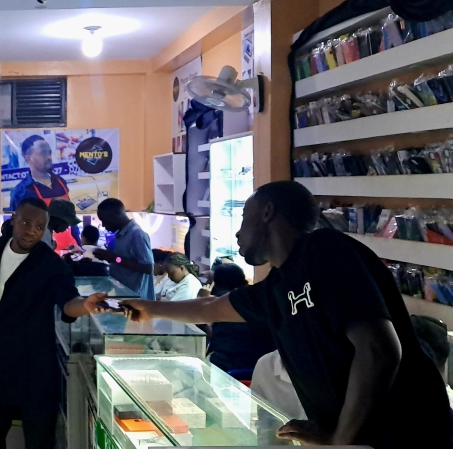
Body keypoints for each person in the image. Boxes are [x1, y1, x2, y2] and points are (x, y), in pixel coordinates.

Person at [114, 180, 453, 448]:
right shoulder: (277, 286)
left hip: (407, 433)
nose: (237, 232)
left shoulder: (325, 251)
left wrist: (339, 440)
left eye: (243, 219)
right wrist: (150, 309)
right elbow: (209, 308)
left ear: (267, 212)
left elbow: (379, 350)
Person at [0, 198, 109, 448]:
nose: (31, 231)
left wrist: (84, 305)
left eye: (39, 227)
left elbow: (67, 300)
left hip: (32, 368)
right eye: (26, 223)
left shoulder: (51, 265)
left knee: (39, 437)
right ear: (13, 221)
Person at [203, 262, 276, 372]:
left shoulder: (219, 302)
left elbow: (208, 332)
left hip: (225, 365)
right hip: (260, 364)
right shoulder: (255, 298)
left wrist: (203, 300)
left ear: (217, 282)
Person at [93, 199, 155, 300]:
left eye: (104, 221)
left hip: (136, 298)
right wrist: (108, 256)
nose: (103, 225)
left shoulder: (136, 234)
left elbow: (148, 268)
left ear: (115, 216)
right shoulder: (122, 234)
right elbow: (124, 260)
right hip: (124, 295)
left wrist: (114, 258)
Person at [8, 135, 69, 211]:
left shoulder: (61, 182)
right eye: (43, 153)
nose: (49, 157)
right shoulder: (20, 192)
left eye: (49, 153)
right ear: (28, 158)